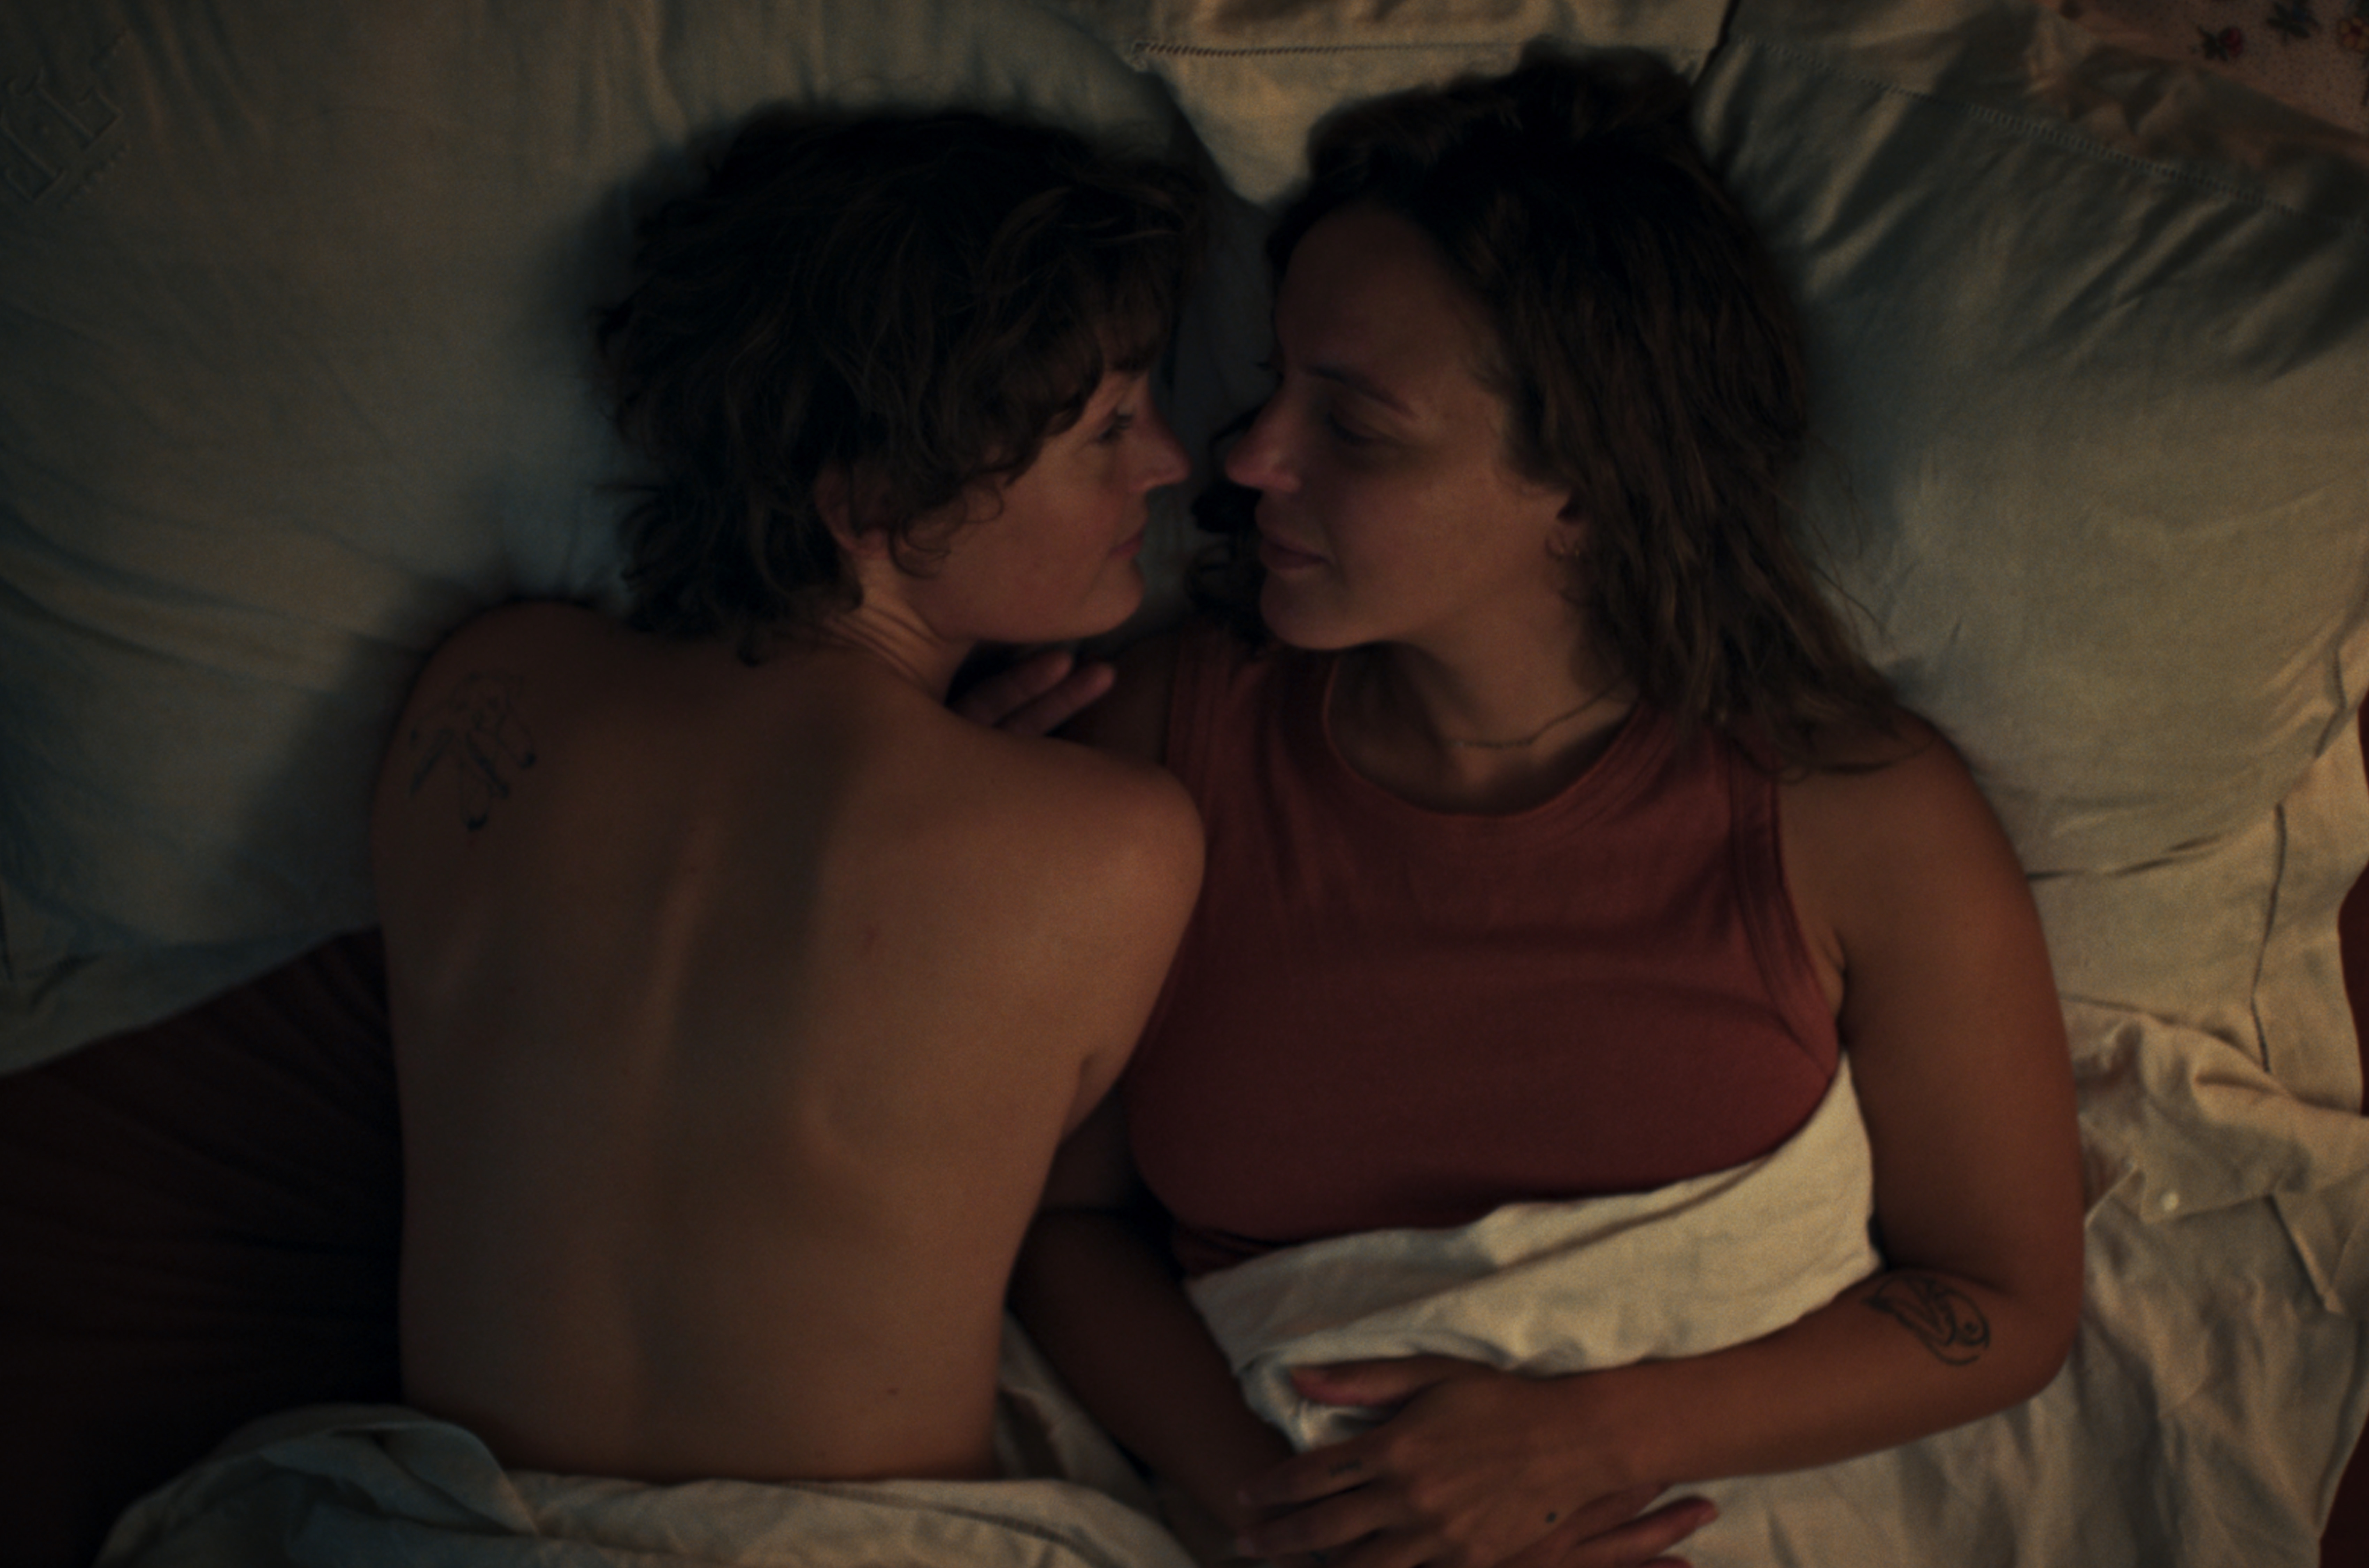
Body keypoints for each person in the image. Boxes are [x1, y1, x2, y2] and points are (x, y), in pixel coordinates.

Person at [1009, 48, 2085, 1568]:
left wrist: (1592, 1440)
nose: (1245, 459)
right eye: (1271, 383)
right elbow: (1058, 1228)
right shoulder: (1151, 748)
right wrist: (1308, 1518)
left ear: (1585, 478)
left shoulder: (1852, 813)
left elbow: (2002, 1304)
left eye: (1353, 427)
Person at [370, 107, 1207, 1488]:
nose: (1168, 461)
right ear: (872, 496)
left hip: (441, 1524)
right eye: (1108, 426)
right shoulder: (1114, 841)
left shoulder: (491, 684)